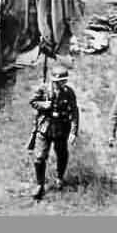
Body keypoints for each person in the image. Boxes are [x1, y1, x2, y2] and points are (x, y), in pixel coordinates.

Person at [28, 65, 79, 200]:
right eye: (57, 81)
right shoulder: (43, 89)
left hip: (61, 128)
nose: (60, 84)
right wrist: (44, 105)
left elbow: (74, 112)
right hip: (45, 127)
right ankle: (40, 184)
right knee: (39, 158)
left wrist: (74, 132)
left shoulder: (69, 92)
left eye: (62, 81)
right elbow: (32, 101)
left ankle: (59, 177)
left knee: (61, 154)